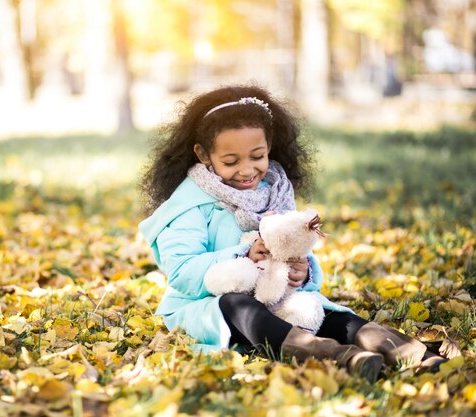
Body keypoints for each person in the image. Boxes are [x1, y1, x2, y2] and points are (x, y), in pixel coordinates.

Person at [138, 84, 446, 382]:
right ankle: (336, 357)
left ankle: (409, 351)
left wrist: (303, 271)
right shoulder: (189, 204)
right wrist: (242, 256)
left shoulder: (276, 192)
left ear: (269, 147)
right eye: (231, 161)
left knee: (323, 313)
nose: (247, 170)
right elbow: (180, 271)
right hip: (207, 303)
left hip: (278, 296)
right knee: (237, 305)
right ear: (204, 155)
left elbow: (296, 248)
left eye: (257, 156)